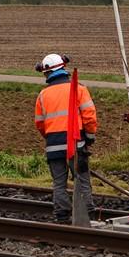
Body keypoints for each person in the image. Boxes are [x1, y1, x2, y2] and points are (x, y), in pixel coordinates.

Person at [33, 53, 97, 223]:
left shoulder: (43, 95)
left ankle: (62, 215)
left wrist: (51, 137)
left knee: (59, 183)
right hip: (76, 143)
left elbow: (40, 123)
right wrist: (90, 136)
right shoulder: (79, 89)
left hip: (53, 145)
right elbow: (89, 115)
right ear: (63, 67)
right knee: (82, 180)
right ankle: (87, 214)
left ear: (47, 73)